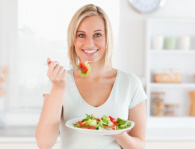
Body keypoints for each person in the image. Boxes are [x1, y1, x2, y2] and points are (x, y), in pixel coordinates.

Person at [36, 4, 147, 149]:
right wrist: (58, 88)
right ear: (73, 40)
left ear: (107, 39)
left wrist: (120, 135)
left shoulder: (130, 83)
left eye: (98, 35)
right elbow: (44, 144)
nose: (89, 43)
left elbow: (139, 145)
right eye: (81, 35)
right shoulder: (59, 81)